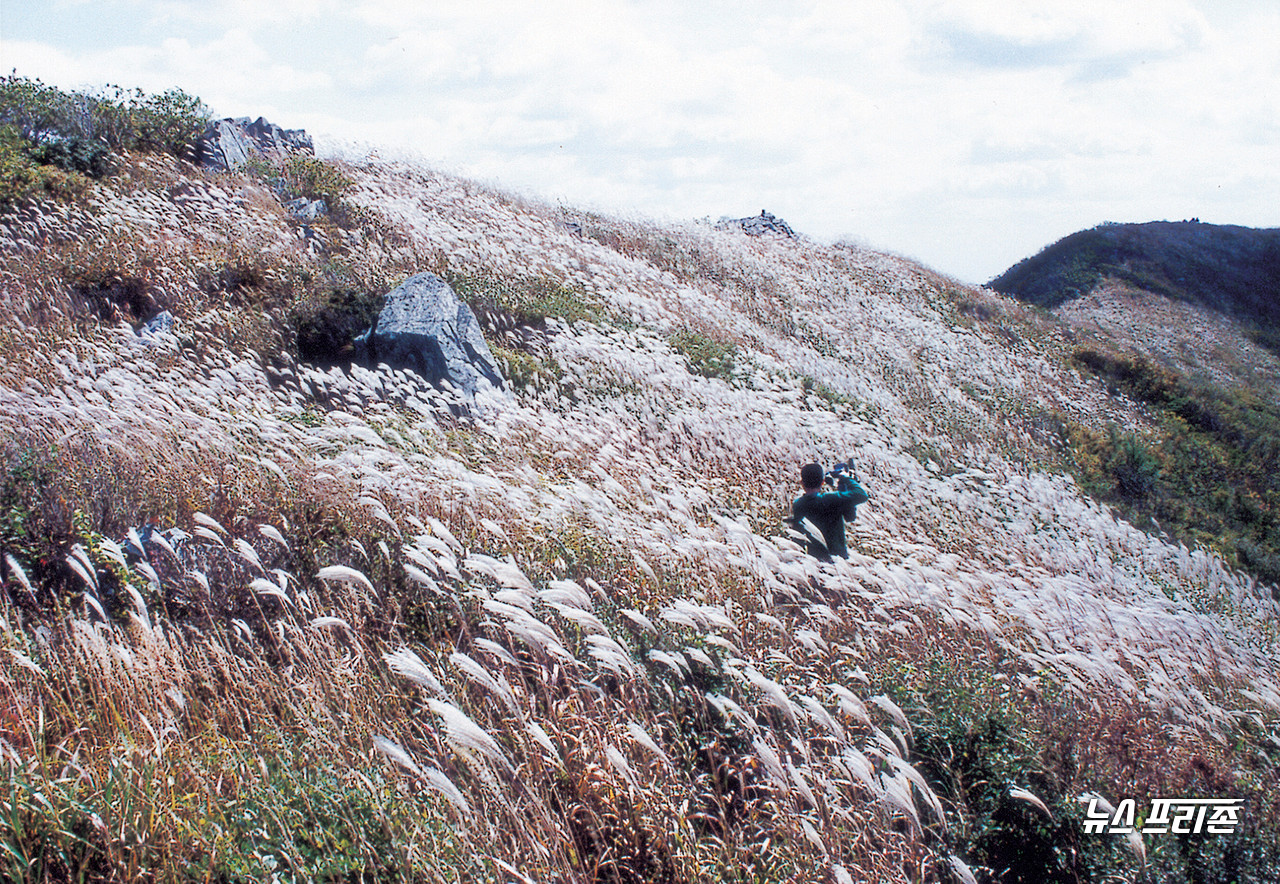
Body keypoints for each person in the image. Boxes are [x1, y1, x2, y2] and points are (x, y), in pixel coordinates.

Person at [791, 460, 869, 561]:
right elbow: (861, 496)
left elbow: (849, 515)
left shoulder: (797, 504)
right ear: (823, 482)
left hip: (810, 561)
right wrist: (846, 478)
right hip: (837, 561)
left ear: (802, 482)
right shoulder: (832, 500)